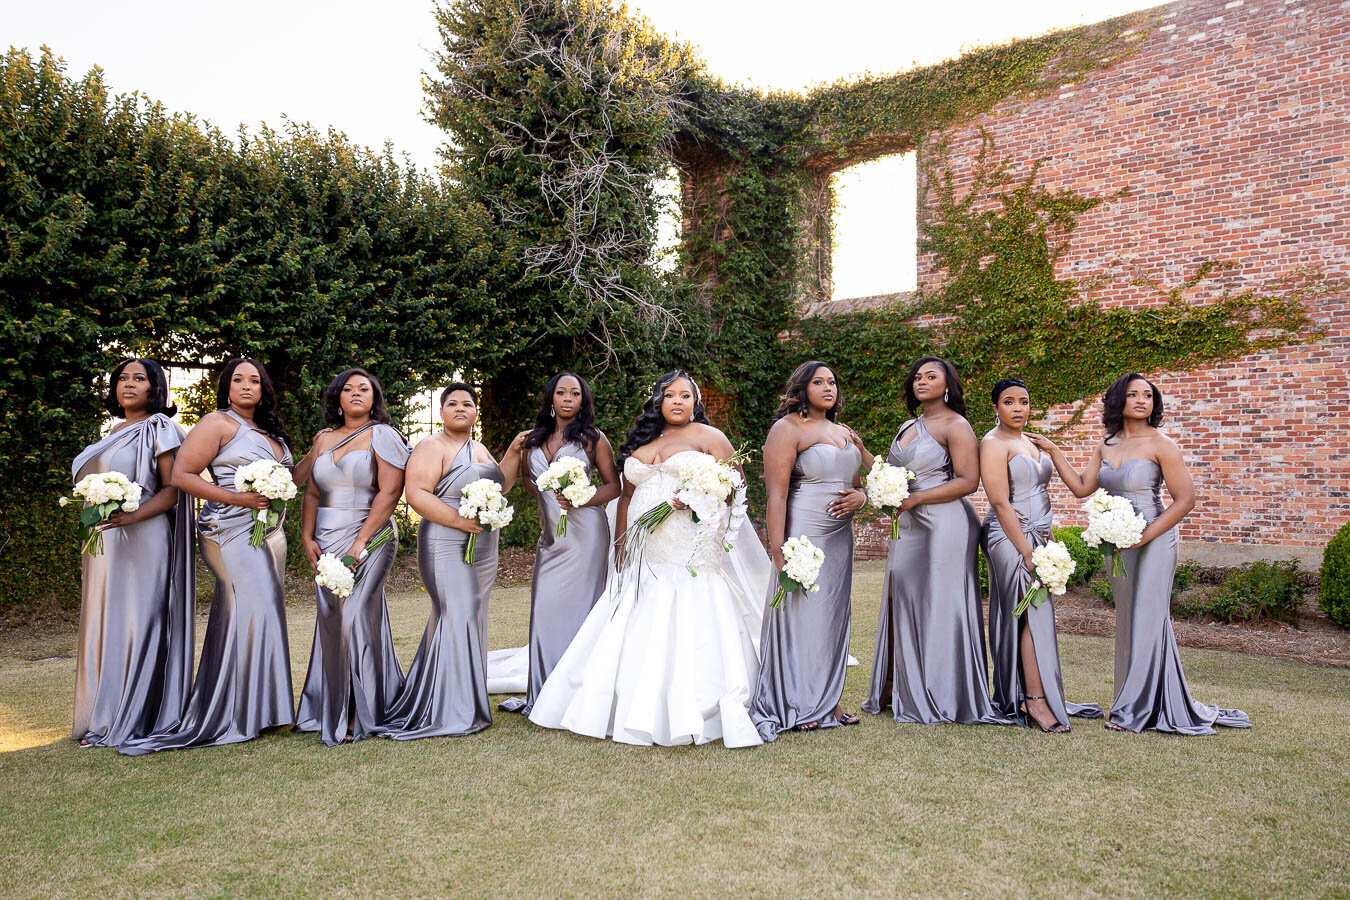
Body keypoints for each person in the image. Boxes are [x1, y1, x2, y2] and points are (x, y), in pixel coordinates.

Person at [529, 371, 772, 747]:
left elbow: (735, 487)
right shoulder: (645, 440)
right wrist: (621, 541)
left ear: (696, 402)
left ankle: (692, 706)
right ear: (658, 401)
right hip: (645, 546)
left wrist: (698, 498)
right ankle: (621, 701)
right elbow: (625, 496)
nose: (677, 401)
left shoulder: (711, 438)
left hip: (687, 543)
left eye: (685, 396)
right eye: (669, 395)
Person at [1032, 373, 1251, 735]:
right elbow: (1082, 488)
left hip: (1155, 538)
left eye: (1147, 395)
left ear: (1154, 403)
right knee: (1130, 620)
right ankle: (1136, 698)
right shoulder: (1107, 444)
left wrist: (1144, 536)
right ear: (1118, 400)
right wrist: (1054, 451)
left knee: (1150, 616)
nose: (1140, 400)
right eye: (1132, 394)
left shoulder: (1162, 444)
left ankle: (1133, 712)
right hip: (1116, 544)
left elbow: (1186, 500)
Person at [121, 359, 295, 755]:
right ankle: (235, 713)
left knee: (257, 612)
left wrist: (316, 452)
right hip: (227, 530)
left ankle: (264, 709)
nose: (246, 386)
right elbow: (183, 475)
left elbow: (288, 482)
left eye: (254, 380)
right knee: (258, 606)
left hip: (269, 533)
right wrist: (237, 497)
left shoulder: (269, 431)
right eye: (238, 379)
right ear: (227, 386)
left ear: (264, 388)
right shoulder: (216, 423)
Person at [862, 356, 1010, 726]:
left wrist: (916, 499)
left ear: (948, 386)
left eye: (932, 376)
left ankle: (944, 692)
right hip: (910, 524)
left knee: (941, 603)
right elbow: (892, 474)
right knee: (905, 598)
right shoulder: (907, 425)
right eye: (917, 376)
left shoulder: (956, 425)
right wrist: (864, 452)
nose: (922, 381)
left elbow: (967, 481)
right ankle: (902, 686)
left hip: (945, 522)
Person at [375, 383, 515, 739]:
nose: (459, 408)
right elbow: (416, 494)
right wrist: (459, 521)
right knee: (457, 613)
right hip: (446, 542)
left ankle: (461, 700)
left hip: (483, 547)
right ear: (441, 412)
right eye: (451, 403)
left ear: (475, 412)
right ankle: (449, 709)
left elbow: (501, 488)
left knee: (471, 616)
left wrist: (514, 450)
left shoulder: (479, 447)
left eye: (467, 403)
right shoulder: (430, 447)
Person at [70, 359, 193, 747]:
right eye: (122, 378)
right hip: (105, 541)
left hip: (145, 535)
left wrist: (133, 514)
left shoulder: (160, 428)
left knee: (139, 619)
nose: (129, 384)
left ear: (155, 388)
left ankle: (136, 715)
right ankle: (101, 715)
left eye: (139, 379)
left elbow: (174, 489)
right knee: (105, 619)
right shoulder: (112, 432)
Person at [750, 361, 868, 740]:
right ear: (802, 388)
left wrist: (862, 497)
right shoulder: (787, 429)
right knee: (801, 613)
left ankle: (828, 700)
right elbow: (776, 494)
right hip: (804, 532)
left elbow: (860, 481)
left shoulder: (843, 432)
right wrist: (778, 548)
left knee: (833, 614)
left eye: (832, 381)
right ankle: (798, 701)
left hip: (839, 535)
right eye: (819, 382)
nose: (828, 388)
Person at [293, 368, 409, 745]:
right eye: (348, 388)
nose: (356, 393)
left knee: (356, 619)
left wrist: (360, 541)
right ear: (337, 397)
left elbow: (390, 492)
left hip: (370, 537)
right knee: (331, 621)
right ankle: (331, 707)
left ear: (374, 397)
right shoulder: (323, 440)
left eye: (364, 389)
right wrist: (307, 536)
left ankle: (362, 711)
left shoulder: (383, 435)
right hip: (325, 541)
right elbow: (311, 492)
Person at [980, 377, 1102, 733]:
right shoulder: (992, 443)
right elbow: (1000, 502)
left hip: (1040, 539)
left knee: (1034, 614)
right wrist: (1027, 551)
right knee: (1031, 612)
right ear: (995, 407)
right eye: (1009, 402)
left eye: (1024, 401)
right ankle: (1033, 700)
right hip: (1009, 537)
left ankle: (1030, 693)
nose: (1018, 408)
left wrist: (1047, 543)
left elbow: (1050, 491)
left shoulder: (1031, 443)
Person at [498, 373, 620, 716]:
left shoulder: (593, 439)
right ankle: (545, 690)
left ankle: (581, 692)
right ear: (550, 398)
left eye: (575, 393)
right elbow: (526, 478)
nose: (567, 398)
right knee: (545, 610)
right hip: (551, 538)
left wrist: (582, 499)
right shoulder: (531, 440)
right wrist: (546, 491)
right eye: (561, 392)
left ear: (583, 400)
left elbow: (614, 486)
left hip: (587, 537)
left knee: (584, 613)